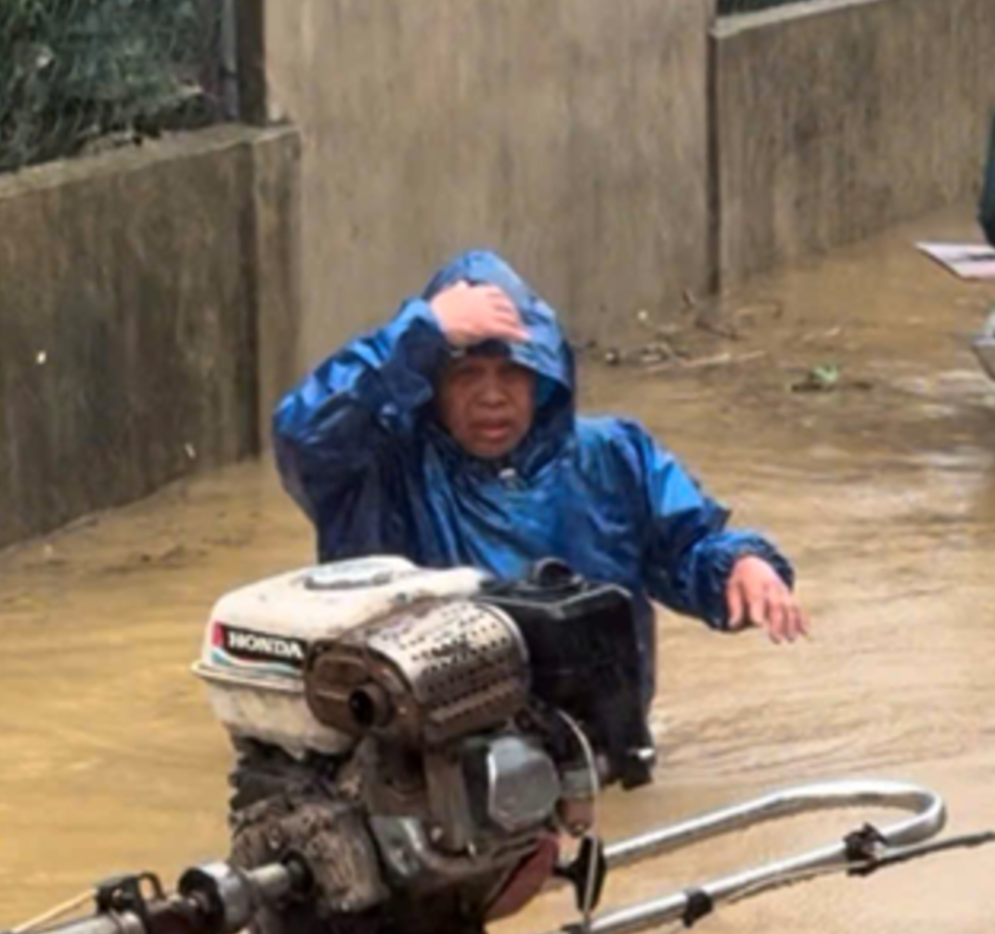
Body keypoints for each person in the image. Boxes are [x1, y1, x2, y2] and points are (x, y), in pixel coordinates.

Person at [272, 251, 806, 692]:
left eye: (513, 373)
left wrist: (740, 566)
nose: (491, 397)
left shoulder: (613, 456)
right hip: (422, 754)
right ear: (431, 384)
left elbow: (686, 550)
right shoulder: (378, 468)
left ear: (544, 382)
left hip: (593, 756)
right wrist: (421, 332)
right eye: (467, 376)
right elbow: (303, 433)